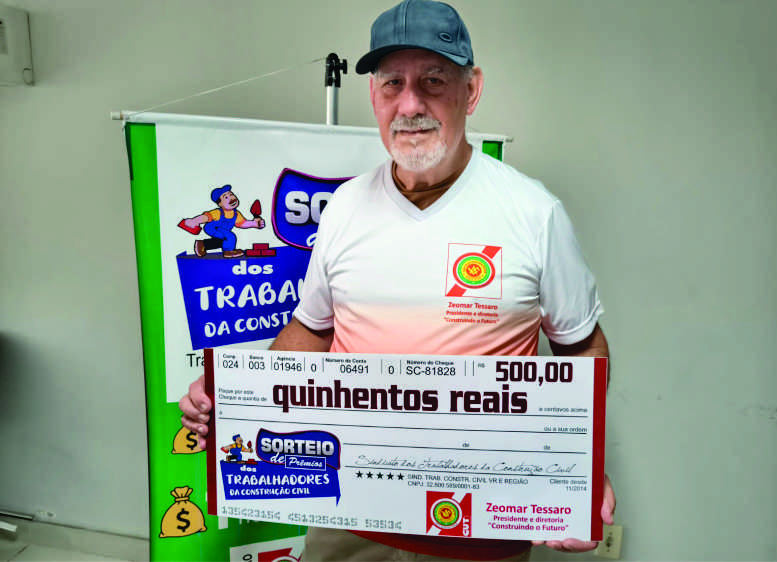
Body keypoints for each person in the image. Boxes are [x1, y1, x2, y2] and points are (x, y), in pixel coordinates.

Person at [180, 0, 615, 559]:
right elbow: (312, 329)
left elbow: (582, 346)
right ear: (374, 96)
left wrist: (579, 469)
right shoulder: (344, 207)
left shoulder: (534, 213)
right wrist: (239, 403)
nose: (411, 104)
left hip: (480, 523)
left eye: (433, 80)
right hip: (349, 511)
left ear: (471, 90)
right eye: (393, 83)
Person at [184, 184, 265, 258]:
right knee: (230, 236)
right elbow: (205, 217)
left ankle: (202, 244)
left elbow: (242, 223)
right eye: (226, 197)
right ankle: (228, 251)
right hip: (212, 228)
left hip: (222, 230)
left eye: (231, 194)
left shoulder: (236, 214)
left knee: (224, 240)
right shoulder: (218, 212)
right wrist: (194, 221)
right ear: (220, 204)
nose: (231, 198)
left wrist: (254, 224)